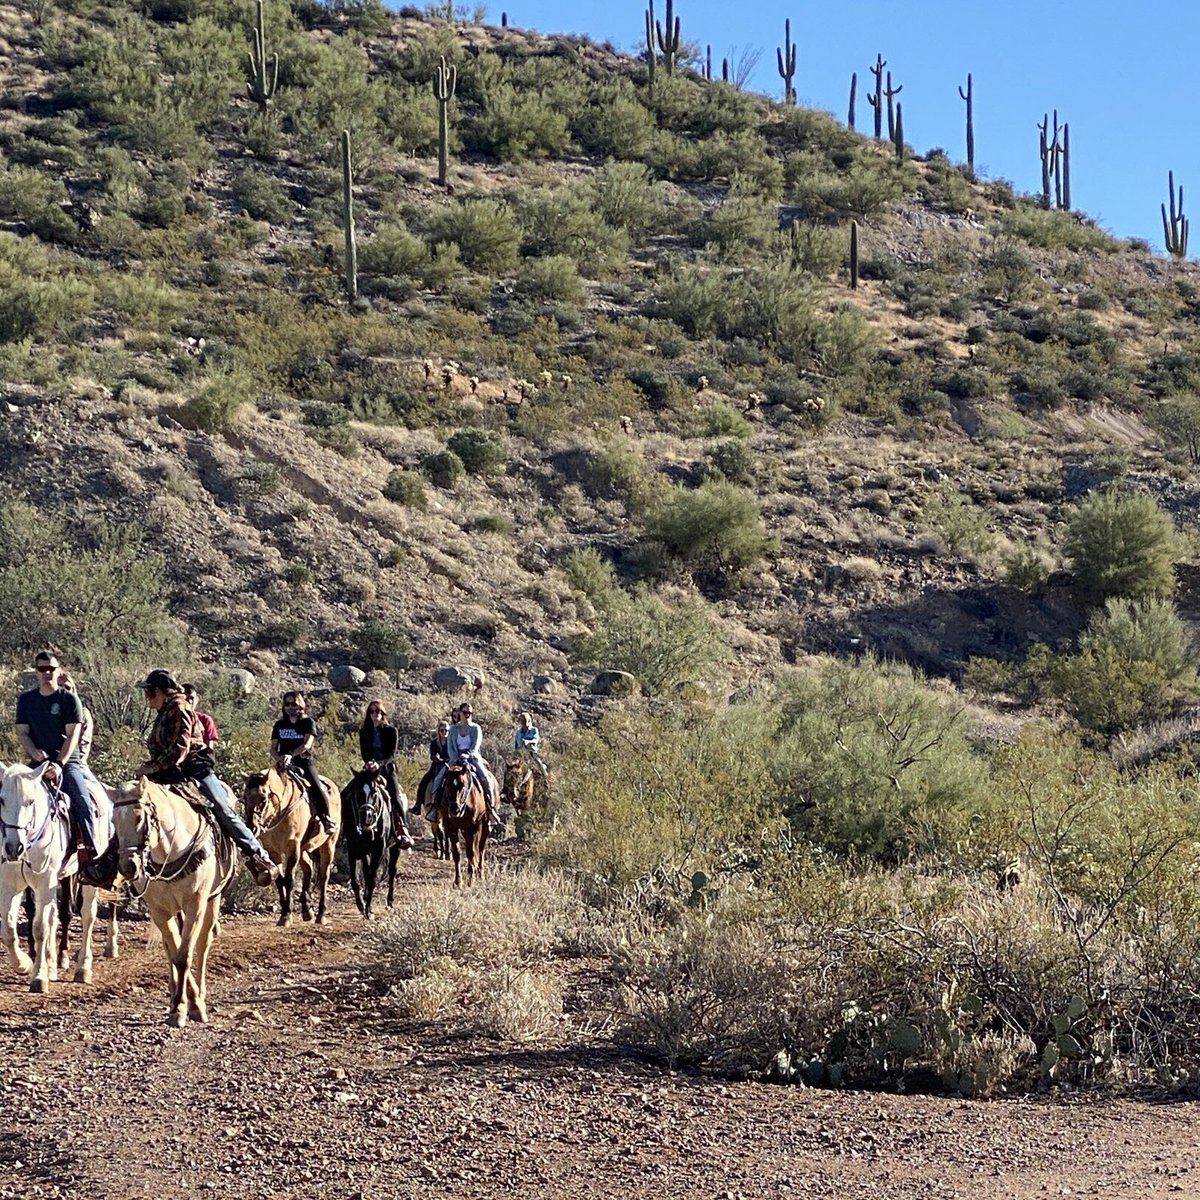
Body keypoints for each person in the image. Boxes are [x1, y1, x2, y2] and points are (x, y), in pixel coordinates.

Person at [135, 669, 276, 887]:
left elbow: (180, 749)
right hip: (168, 773)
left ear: (162, 692)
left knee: (222, 810)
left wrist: (151, 767)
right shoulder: (164, 711)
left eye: (150, 692)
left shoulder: (179, 708)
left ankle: (258, 856)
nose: (147, 697)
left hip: (194, 770)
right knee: (133, 807)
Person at [15, 651, 98, 869]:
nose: (46, 673)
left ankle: (89, 852)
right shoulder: (26, 700)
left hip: (67, 762)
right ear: (36, 672)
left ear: (58, 670)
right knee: (11, 796)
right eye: (42, 669)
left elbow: (73, 735)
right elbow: (22, 732)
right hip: (37, 762)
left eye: (50, 668)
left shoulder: (69, 700)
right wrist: (33, 753)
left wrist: (59, 764)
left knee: (82, 800)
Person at [270, 691, 335, 835]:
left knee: (317, 786)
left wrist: (291, 755)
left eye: (293, 704)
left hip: (303, 762)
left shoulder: (308, 723)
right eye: (287, 704)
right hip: (283, 764)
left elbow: (306, 745)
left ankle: (326, 818)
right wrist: (279, 758)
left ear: (300, 705)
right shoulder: (279, 725)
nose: (290, 707)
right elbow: (273, 748)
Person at [355, 701, 412, 847]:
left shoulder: (391, 731)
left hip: (386, 769)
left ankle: (402, 828)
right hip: (369, 769)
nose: (375, 714)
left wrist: (378, 764)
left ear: (383, 714)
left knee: (395, 795)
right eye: (372, 711)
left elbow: (391, 755)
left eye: (378, 712)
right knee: (351, 791)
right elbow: (364, 753)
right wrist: (368, 763)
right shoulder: (364, 732)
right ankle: (345, 827)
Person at [432, 703, 497, 819]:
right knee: (439, 779)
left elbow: (475, 746)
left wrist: (467, 755)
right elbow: (450, 747)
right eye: (465, 713)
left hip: (472, 759)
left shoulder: (476, 728)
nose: (468, 715)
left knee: (486, 779)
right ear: (460, 713)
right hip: (455, 759)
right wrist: (456, 757)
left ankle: (491, 810)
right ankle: (434, 809)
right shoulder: (453, 729)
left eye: (470, 713)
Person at [58, 672, 95, 767]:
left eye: (67, 687)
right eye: (59, 686)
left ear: (73, 690)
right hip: (47, 762)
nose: (63, 690)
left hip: (74, 763)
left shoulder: (83, 714)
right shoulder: (46, 712)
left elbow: (83, 745)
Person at [417, 718, 451, 814]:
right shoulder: (434, 743)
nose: (444, 732)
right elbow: (432, 755)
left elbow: (453, 755)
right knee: (423, 783)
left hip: (448, 766)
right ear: (439, 731)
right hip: (436, 766)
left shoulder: (451, 743)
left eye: (446, 730)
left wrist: (446, 760)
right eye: (442, 730)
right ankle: (418, 804)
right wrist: (435, 757)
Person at [182, 682, 219, 754]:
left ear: (197, 699)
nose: (189, 701)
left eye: (192, 698)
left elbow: (209, 749)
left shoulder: (205, 720)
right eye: (186, 698)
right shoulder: (172, 720)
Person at [513, 711, 548, 783]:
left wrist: (528, 741)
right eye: (521, 721)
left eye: (524, 721)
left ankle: (545, 780)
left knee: (539, 765)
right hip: (520, 754)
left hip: (531, 753)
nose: (523, 723)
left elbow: (535, 739)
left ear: (528, 721)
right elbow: (516, 745)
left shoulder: (534, 730)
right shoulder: (518, 733)